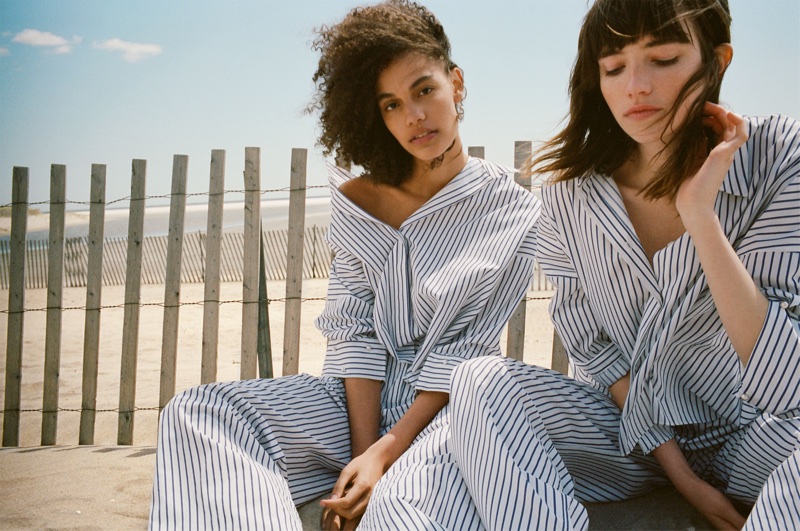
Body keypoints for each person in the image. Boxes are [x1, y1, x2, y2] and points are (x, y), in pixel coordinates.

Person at [149, 1, 540, 529]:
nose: (414, 117)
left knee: (399, 510)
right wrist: (363, 453)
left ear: (457, 82)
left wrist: (384, 456)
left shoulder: (512, 207)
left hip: (446, 414)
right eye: (391, 105)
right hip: (348, 403)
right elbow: (353, 331)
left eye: (424, 90)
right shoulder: (358, 198)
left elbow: (463, 354)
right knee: (198, 411)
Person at [448, 0, 800, 529]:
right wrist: (682, 477)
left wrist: (700, 215)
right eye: (614, 67)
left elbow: (787, 379)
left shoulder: (774, 156)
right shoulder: (568, 197)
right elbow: (595, 348)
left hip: (755, 437)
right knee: (479, 379)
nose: (635, 85)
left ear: (716, 61)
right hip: (629, 433)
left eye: (663, 59)